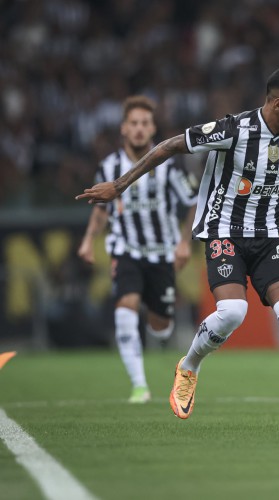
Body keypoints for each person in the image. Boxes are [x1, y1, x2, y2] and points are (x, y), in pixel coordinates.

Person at [78, 67, 279, 435]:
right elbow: (168, 146)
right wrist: (119, 186)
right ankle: (190, 367)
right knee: (232, 312)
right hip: (224, 233)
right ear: (278, 104)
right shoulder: (234, 130)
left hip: (271, 236)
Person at [77, 95, 198, 404]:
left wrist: (185, 242)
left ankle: (151, 311)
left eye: (145, 123)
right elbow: (100, 208)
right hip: (126, 250)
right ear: (124, 129)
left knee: (161, 325)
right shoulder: (109, 166)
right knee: (125, 307)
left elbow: (192, 203)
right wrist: (89, 239)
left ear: (153, 128)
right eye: (134, 123)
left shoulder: (169, 165)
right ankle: (139, 386)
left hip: (163, 254)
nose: (140, 129)